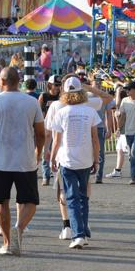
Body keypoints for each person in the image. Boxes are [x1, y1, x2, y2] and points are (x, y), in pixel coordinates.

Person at [0, 67, 45, 256]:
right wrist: (38, 153)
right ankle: (19, 227)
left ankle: (7, 243)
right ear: (19, 81)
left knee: (2, 202)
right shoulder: (32, 102)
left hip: (1, 160)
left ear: (1, 81)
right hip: (26, 159)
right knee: (30, 201)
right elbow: (41, 134)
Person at [49, 77, 101, 249]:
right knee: (83, 196)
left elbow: (56, 141)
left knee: (71, 196)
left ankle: (78, 234)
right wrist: (96, 159)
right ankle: (83, 230)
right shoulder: (90, 111)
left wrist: (51, 158)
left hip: (67, 159)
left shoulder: (61, 113)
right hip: (86, 159)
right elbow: (95, 139)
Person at [38, 76, 60, 186]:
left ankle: (57, 174)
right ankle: (46, 176)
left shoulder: (61, 96)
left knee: (57, 151)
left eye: (59, 85)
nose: (58, 87)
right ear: (50, 85)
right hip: (47, 126)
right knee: (45, 151)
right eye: (56, 85)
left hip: (59, 127)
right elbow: (39, 112)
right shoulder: (44, 96)